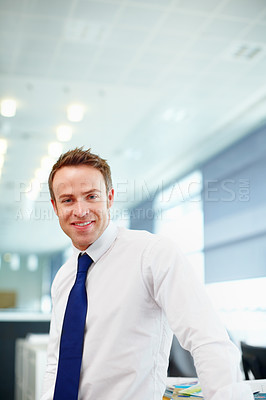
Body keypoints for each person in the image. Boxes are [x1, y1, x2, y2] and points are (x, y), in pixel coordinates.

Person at [41, 147, 253, 400]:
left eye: (91, 196)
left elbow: (208, 340)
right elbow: (56, 362)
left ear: (109, 198)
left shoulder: (152, 254)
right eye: (68, 200)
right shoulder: (64, 278)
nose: (80, 210)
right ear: (55, 207)